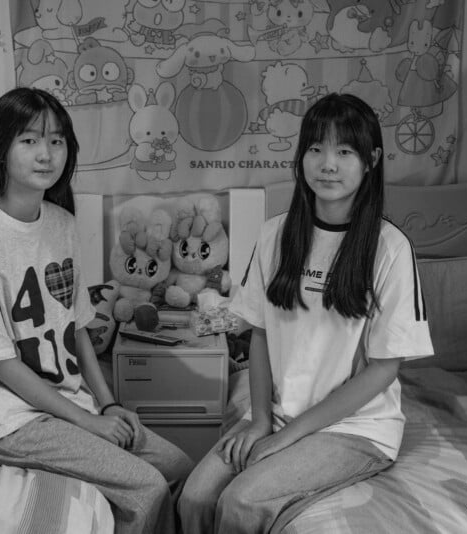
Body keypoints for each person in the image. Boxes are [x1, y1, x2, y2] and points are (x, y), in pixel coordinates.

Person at [0, 87, 193, 534]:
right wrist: (86, 422)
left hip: (63, 403)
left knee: (179, 466)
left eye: (56, 141)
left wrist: (108, 403)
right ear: (1, 149)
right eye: (30, 140)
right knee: (148, 486)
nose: (46, 154)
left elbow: (76, 332)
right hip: (3, 420)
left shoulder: (62, 224)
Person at [178, 93, 434, 533]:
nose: (327, 164)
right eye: (315, 149)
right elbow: (258, 332)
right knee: (195, 496)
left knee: (241, 502)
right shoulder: (275, 234)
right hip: (277, 413)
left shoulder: (390, 249)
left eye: (344, 151)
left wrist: (285, 439)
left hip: (355, 428)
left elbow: (383, 369)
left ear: (371, 160)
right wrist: (260, 421)